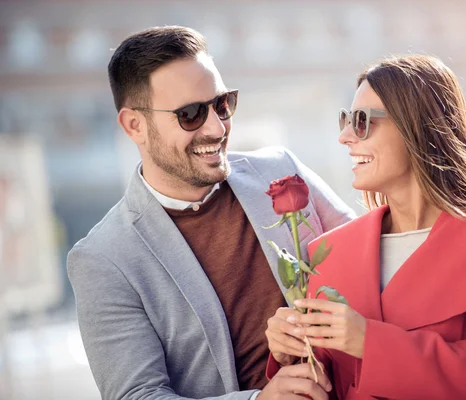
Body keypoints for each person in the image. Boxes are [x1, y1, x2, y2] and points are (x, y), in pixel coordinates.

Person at [67, 26, 354, 400]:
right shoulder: (103, 260)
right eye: (190, 114)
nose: (217, 127)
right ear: (134, 125)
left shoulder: (281, 171)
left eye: (222, 104)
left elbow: (366, 255)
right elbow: (137, 395)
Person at [265, 55, 466, 400]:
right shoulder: (331, 252)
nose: (344, 136)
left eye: (362, 121)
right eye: (346, 120)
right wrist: (290, 352)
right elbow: (326, 382)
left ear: (418, 126)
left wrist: (370, 342)